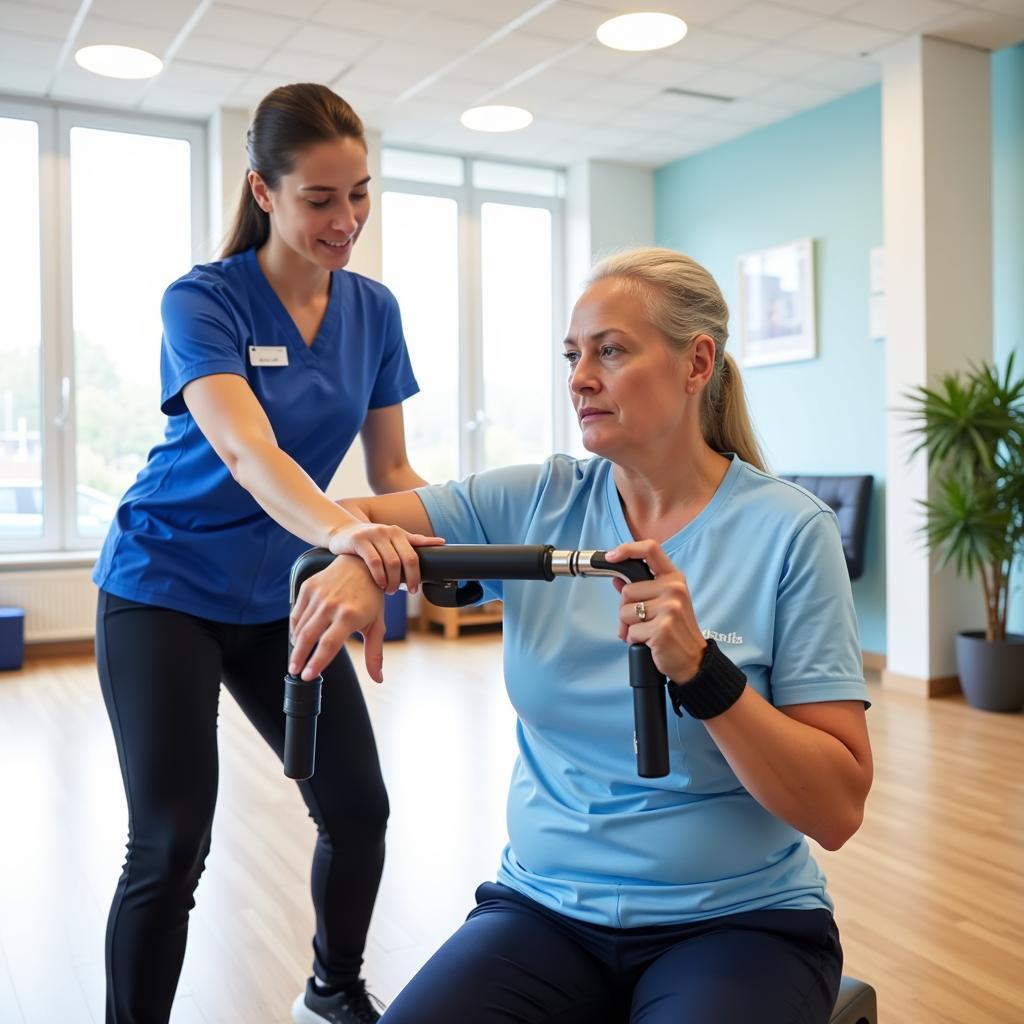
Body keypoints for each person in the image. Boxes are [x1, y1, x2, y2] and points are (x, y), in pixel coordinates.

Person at [292, 247, 874, 1024]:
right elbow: (350, 516)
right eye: (573, 355)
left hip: (737, 923)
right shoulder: (539, 499)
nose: (580, 378)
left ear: (697, 361)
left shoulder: (789, 532)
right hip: (542, 912)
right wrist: (362, 558)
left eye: (611, 351)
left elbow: (836, 810)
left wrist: (702, 671)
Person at [92, 83, 440, 1024]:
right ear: (264, 191)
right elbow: (249, 451)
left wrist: (442, 537)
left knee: (359, 811)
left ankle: (331, 988)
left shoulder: (375, 310)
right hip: (163, 584)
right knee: (170, 844)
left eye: (359, 194)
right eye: (321, 199)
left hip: (283, 594)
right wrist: (347, 534)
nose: (346, 220)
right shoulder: (202, 300)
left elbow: (394, 467)